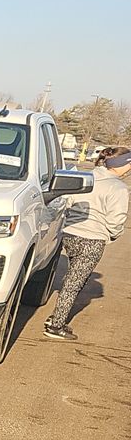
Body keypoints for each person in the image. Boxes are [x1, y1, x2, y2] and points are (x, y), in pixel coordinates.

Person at [42, 146, 129, 341]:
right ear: (121, 165)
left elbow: (67, 201)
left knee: (70, 277)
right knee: (75, 282)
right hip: (93, 239)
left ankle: (57, 315)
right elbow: (117, 219)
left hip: (70, 233)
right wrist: (113, 235)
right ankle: (56, 325)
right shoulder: (118, 188)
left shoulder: (84, 177)